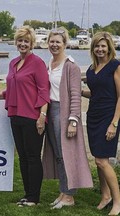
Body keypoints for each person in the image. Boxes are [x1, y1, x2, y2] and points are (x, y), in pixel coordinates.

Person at [0, 26, 50, 206]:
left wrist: (42, 116)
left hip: (32, 117)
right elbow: (13, 88)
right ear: (16, 42)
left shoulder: (38, 63)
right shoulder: (13, 63)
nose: (22, 44)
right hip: (15, 114)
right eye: (20, 40)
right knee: (23, 157)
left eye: (26, 41)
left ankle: (34, 197)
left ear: (32, 44)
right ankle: (27, 195)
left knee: (33, 156)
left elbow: (44, 91)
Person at [42, 27, 93, 209]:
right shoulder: (49, 63)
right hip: (50, 111)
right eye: (52, 41)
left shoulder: (70, 66)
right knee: (58, 155)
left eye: (58, 42)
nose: (54, 45)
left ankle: (70, 196)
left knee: (66, 155)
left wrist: (73, 120)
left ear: (65, 44)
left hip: (63, 113)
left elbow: (75, 95)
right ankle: (63, 192)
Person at [82, 31, 120, 215]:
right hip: (93, 116)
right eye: (97, 45)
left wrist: (114, 123)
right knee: (98, 160)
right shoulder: (91, 68)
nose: (100, 49)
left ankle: (117, 203)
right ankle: (105, 196)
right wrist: (79, 92)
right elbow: (96, 92)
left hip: (108, 117)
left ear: (109, 47)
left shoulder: (115, 66)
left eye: (103, 46)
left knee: (102, 160)